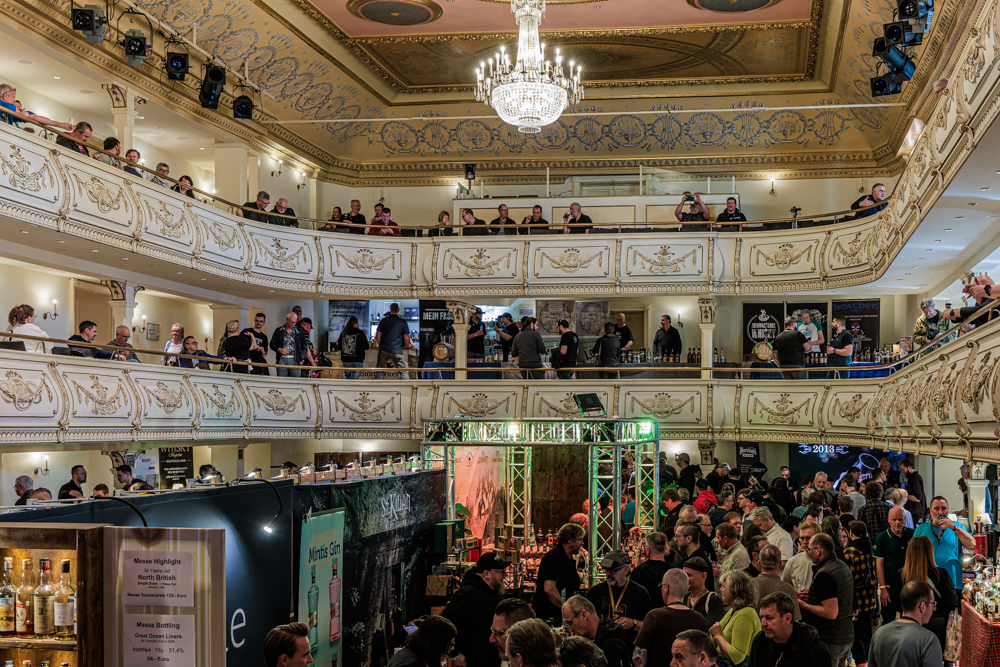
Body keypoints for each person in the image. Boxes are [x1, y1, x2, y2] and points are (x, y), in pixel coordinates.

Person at [885, 535, 957, 653]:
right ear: (930, 552)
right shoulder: (940, 574)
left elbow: (895, 604)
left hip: (909, 625)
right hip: (937, 623)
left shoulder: (900, 575)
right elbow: (952, 601)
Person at [442, 552, 510, 667]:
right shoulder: (467, 595)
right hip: (474, 660)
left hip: (490, 659)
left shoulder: (493, 591)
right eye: (501, 572)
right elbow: (444, 624)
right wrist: (454, 654)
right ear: (487, 574)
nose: (504, 575)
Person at [796, 532, 853, 667]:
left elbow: (831, 613)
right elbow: (838, 595)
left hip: (831, 639)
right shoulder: (841, 565)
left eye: (810, 550)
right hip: (846, 636)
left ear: (818, 550)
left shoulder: (825, 574)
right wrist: (814, 595)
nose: (808, 553)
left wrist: (804, 605)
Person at [633, 569, 709, 667]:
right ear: (687, 589)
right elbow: (707, 657)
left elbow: (638, 657)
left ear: (666, 588)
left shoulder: (654, 616)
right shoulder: (700, 619)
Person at [867, 581, 942, 667]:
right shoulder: (928, 640)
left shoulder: (878, 634)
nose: (934, 609)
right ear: (923, 606)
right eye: (933, 604)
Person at [913, 496, 975, 599]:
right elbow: (913, 557)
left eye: (944, 508)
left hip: (953, 582)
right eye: (936, 509)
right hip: (927, 582)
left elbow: (971, 545)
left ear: (948, 510)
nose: (940, 512)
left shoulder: (958, 526)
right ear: (930, 511)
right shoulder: (921, 529)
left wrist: (954, 528)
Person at [584, 550, 649, 645]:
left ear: (625, 570)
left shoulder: (640, 592)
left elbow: (649, 627)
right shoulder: (594, 592)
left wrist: (633, 623)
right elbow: (584, 623)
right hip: (601, 648)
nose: (608, 574)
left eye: (612, 570)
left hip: (629, 647)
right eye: (606, 570)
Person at [749, 591, 831, 666]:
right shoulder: (760, 640)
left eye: (769, 618)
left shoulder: (813, 649)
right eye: (762, 617)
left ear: (788, 618)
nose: (763, 623)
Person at [532, 522, 585, 622]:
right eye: (579, 539)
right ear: (569, 539)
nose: (582, 543)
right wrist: (567, 609)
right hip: (549, 617)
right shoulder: (555, 558)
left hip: (557, 616)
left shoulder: (568, 558)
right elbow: (549, 588)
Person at [709, 571, 761, 667]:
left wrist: (718, 636)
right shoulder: (734, 610)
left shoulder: (745, 614)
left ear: (734, 590)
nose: (721, 589)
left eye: (724, 586)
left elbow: (737, 656)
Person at [842, 521, 877, 665]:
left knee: (855, 636)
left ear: (851, 533)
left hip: (857, 600)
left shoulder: (850, 552)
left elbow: (847, 577)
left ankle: (861, 662)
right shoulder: (871, 547)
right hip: (870, 598)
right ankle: (870, 661)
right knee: (867, 634)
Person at [874, 506, 914, 625]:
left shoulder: (912, 534)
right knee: (888, 621)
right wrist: (883, 588)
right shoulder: (881, 538)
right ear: (888, 520)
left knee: (908, 620)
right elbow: (879, 565)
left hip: (908, 585)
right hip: (889, 586)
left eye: (900, 519)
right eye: (894, 519)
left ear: (905, 519)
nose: (897, 522)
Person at [562, 596, 629, 667]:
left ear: (584, 615)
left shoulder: (612, 645)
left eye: (571, 623)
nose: (570, 630)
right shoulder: (587, 641)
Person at [387, 615, 459, 667]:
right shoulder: (410, 664)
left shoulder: (426, 656)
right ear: (437, 642)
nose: (452, 648)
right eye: (450, 643)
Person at [754, 545, 801, 621]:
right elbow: (795, 621)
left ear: (759, 563)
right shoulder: (788, 589)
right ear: (780, 564)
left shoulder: (748, 585)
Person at [631, 532, 677, 609]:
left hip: (644, 613)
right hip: (669, 612)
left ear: (648, 549)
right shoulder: (675, 571)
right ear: (665, 548)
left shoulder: (638, 571)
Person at [0, 84, 74, 131]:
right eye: (13, 97)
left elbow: (35, 117)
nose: (14, 100)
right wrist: (21, 113)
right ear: (5, 96)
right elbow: (17, 110)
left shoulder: (11, 111)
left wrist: (61, 125)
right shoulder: (7, 105)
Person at [375, 304, 413, 380]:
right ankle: (406, 386)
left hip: (383, 350)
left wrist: (380, 345)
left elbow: (378, 335)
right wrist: (408, 346)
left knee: (379, 371)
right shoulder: (402, 321)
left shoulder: (383, 320)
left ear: (390, 309)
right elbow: (406, 337)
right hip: (396, 350)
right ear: (398, 310)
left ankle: (378, 386)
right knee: (403, 372)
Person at [684, 557, 726, 625]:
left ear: (703, 576)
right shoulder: (683, 598)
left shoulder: (714, 601)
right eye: (683, 575)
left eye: (688, 575)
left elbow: (709, 628)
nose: (684, 578)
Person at [673, 525, 715, 590]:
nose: (675, 539)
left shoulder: (698, 561)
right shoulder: (688, 558)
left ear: (688, 539)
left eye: (677, 536)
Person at [781, 520, 819, 591]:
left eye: (808, 538)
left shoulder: (826, 560)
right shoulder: (793, 561)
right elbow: (785, 588)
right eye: (802, 538)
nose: (805, 542)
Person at [269, 312, 304, 377]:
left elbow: (304, 346)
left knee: (296, 380)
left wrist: (302, 358)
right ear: (287, 319)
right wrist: (279, 349)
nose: (293, 324)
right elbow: (272, 344)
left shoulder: (299, 332)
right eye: (291, 322)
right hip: (282, 358)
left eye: (295, 322)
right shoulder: (279, 330)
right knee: (282, 380)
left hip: (295, 359)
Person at [899, 457, 926, 523]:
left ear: (909, 467)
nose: (902, 472)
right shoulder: (914, 478)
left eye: (903, 469)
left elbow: (917, 498)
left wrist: (903, 495)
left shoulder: (914, 478)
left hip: (914, 512)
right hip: (915, 512)